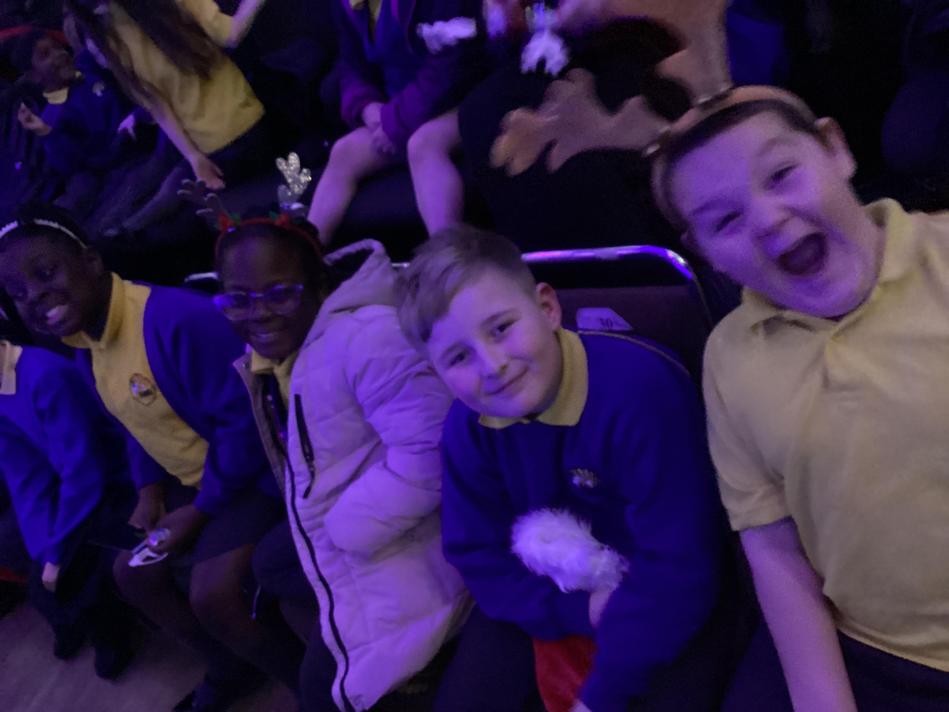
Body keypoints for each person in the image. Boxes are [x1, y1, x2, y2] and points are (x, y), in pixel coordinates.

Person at [651, 88, 949, 711]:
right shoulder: (730, 358)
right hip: (866, 649)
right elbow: (773, 544)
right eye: (725, 221)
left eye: (781, 174)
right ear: (704, 252)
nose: (766, 219)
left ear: (835, 149)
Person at [398, 226, 730, 712]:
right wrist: (575, 609)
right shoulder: (468, 428)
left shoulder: (639, 393)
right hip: (564, 593)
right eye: (459, 357)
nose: (492, 365)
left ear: (547, 308)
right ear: (437, 374)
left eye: (501, 328)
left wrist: (597, 698)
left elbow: (681, 569)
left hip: (671, 592)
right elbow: (478, 555)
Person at [214, 218, 541, 711]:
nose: (259, 313)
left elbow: (433, 452)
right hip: (366, 516)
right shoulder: (276, 353)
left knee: (324, 692)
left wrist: (347, 524)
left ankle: (415, 655)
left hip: (421, 535)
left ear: (318, 285)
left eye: (279, 294)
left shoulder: (369, 339)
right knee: (271, 565)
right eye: (238, 299)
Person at [0, 204, 298, 712]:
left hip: (256, 474)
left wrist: (199, 510)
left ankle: (311, 686)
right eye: (18, 293)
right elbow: (131, 421)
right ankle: (230, 668)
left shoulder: (171, 320)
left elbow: (247, 424)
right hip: (201, 483)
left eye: (46, 273)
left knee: (213, 592)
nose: (35, 296)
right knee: (132, 573)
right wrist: (149, 490)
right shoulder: (86, 346)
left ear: (91, 262)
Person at [63, 0, 272, 233]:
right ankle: (116, 234)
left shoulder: (107, 36)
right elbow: (232, 34)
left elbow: (159, 107)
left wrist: (193, 156)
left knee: (156, 186)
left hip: (205, 141)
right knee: (164, 190)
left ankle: (105, 236)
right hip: (242, 125)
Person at [0, 332, 135, 679]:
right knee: (25, 550)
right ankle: (74, 617)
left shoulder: (43, 376)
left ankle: (109, 627)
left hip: (115, 481)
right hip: (70, 484)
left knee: (67, 563)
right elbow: (25, 476)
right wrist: (44, 547)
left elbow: (86, 472)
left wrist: (58, 553)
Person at [305, 0, 484, 244]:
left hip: (463, 99)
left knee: (424, 144)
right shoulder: (348, 4)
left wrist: (397, 121)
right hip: (402, 110)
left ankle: (448, 255)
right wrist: (366, 106)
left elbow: (451, 65)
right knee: (344, 152)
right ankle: (307, 251)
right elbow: (351, 63)